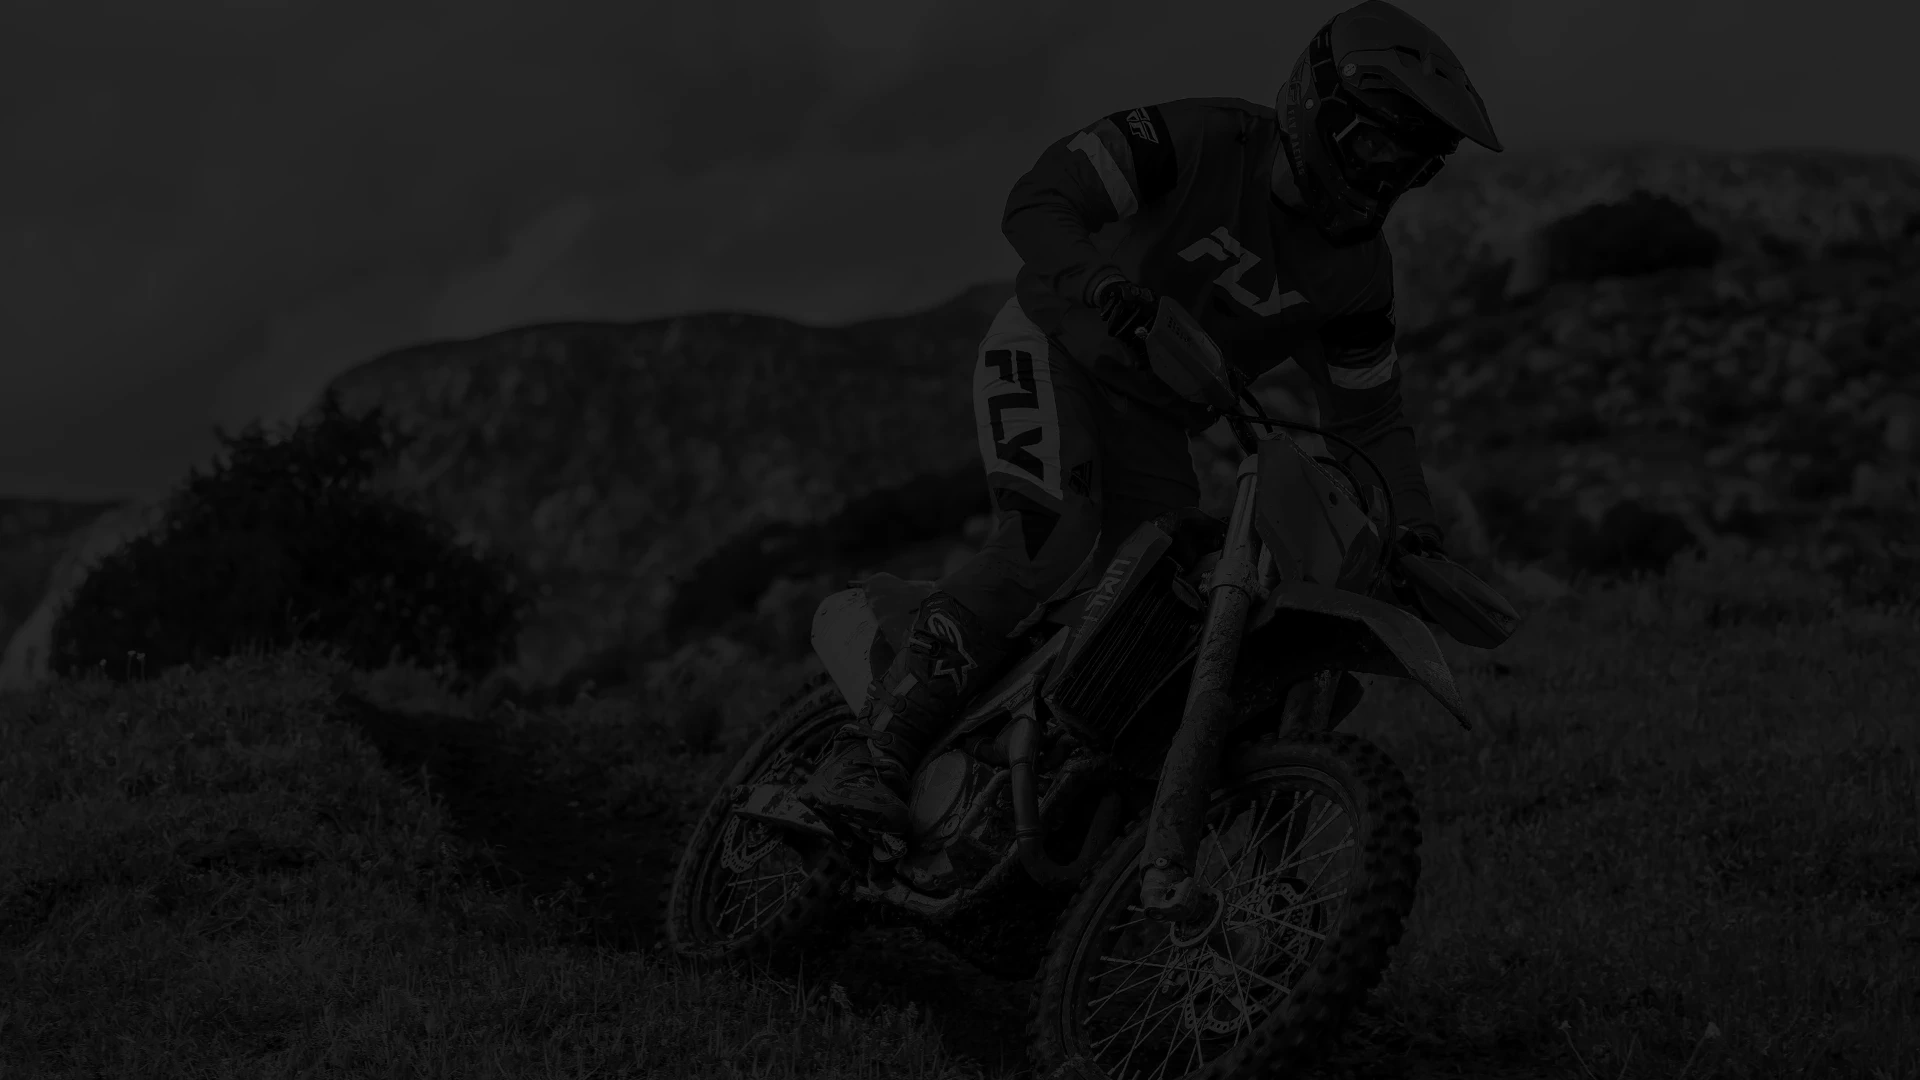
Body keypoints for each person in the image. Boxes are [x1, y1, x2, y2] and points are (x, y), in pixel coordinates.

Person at [800, 0, 1502, 846]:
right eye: (1376, 148)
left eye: (1411, 166)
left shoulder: (1358, 274)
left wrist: (1415, 534)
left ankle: (1016, 783)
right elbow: (1039, 199)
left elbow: (1371, 415)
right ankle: (871, 750)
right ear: (1318, 107)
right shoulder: (1197, 138)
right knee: (1052, 536)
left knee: (1156, 613)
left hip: (1157, 420)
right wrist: (1100, 283)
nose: (1385, 178)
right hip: (1055, 345)